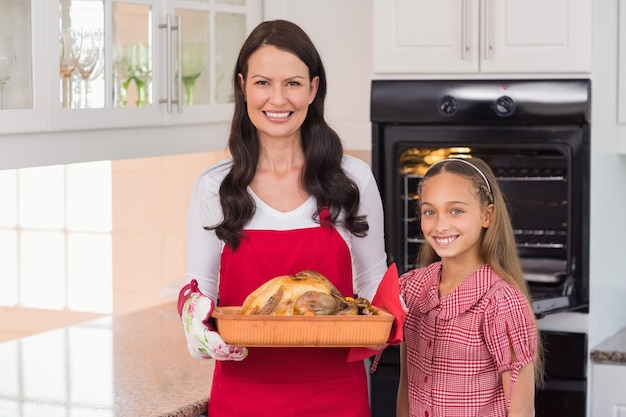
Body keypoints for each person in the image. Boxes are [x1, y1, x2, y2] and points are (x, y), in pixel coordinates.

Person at [178, 19, 387, 417]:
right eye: (262, 83)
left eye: (292, 83)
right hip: (244, 393)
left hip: (336, 395)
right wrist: (195, 325)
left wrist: (379, 331)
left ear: (313, 88)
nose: (278, 99)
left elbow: (374, 281)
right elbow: (199, 290)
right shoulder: (215, 186)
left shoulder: (351, 179)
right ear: (242, 86)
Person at [396, 157, 543, 417]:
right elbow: (406, 386)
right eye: (430, 211)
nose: (440, 225)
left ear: (487, 215)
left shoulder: (501, 303)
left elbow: (522, 411)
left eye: (456, 210)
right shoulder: (411, 290)